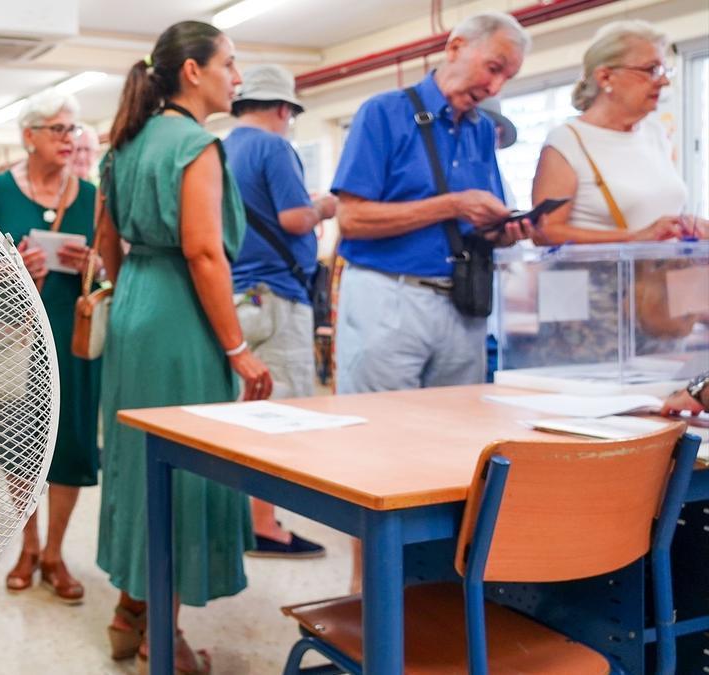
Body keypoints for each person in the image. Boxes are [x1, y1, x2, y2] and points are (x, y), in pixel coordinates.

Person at [95, 20, 272, 674]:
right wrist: (236, 349)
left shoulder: (123, 145)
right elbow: (203, 251)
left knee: (137, 460)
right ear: (192, 71)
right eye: (229, 63)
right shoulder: (195, 146)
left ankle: (128, 611)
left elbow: (105, 245)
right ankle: (160, 639)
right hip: (180, 317)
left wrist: (129, 293)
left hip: (135, 307)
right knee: (180, 467)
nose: (238, 76)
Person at [331, 11, 533, 397]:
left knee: (454, 431)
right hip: (389, 297)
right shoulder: (384, 113)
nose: (495, 87)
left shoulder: (482, 130)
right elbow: (352, 219)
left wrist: (505, 232)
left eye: (507, 78)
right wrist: (454, 204)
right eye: (493, 68)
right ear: (455, 47)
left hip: (463, 304)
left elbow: (474, 224)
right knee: (379, 431)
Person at [0, 92, 99, 603]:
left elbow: (116, 270)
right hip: (13, 335)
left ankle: (55, 552)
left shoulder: (92, 196)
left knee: (69, 443)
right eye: (57, 130)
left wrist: (96, 262)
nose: (69, 140)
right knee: (21, 445)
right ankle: (27, 545)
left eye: (73, 130)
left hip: (73, 332)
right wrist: (9, 266)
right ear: (29, 137)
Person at [224, 64, 335, 559]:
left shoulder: (221, 150)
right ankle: (264, 525)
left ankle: (244, 516)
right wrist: (324, 208)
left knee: (243, 411)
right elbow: (293, 217)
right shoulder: (274, 147)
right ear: (283, 109)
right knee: (280, 412)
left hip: (239, 297)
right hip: (277, 294)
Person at [532, 20, 706, 244]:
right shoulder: (567, 141)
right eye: (651, 70)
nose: (663, 81)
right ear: (605, 77)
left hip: (664, 277)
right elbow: (545, 232)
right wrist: (636, 237)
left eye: (664, 70)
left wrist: (689, 228)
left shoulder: (656, 134)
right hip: (600, 278)